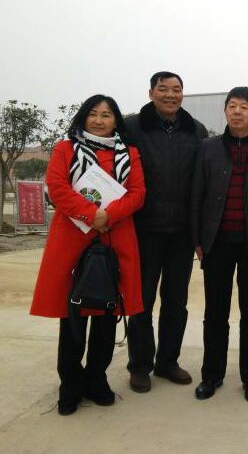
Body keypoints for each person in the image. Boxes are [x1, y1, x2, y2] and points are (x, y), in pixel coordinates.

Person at [30, 95, 145, 415]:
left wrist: (108, 216)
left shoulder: (130, 153)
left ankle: (97, 379)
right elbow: (57, 187)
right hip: (72, 238)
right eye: (93, 114)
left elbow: (138, 193)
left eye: (106, 115)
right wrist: (91, 214)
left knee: (107, 313)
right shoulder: (65, 149)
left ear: (116, 121)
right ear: (83, 117)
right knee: (72, 316)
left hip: (114, 238)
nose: (98, 120)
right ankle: (70, 383)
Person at [190, 87, 248, 402]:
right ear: (225, 111)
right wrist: (197, 238)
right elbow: (197, 194)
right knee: (215, 312)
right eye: (232, 106)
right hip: (216, 243)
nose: (237, 111)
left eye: (244, 107)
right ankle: (211, 375)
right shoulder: (208, 148)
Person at [124, 71, 207, 393]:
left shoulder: (196, 130)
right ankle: (140, 365)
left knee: (176, 302)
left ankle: (168, 362)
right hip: (142, 230)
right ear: (151, 93)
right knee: (141, 301)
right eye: (163, 89)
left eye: (176, 89)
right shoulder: (131, 127)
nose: (170, 95)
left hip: (181, 234)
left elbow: (202, 182)